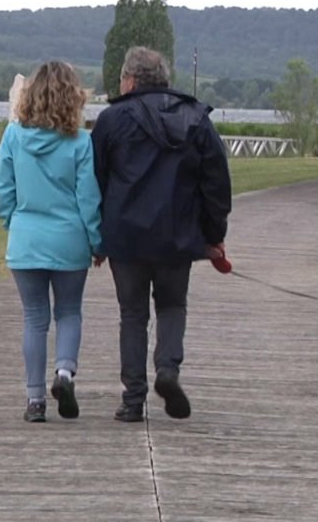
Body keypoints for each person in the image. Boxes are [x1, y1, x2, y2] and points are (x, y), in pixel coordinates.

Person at [91, 46, 232, 422]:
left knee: (132, 315)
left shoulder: (111, 120)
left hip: (126, 237)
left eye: (121, 78)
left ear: (131, 80)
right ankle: (168, 370)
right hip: (178, 236)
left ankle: (132, 400)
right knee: (172, 306)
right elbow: (217, 183)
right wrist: (214, 235)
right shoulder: (196, 119)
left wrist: (98, 236)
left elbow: (96, 182)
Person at [0, 61, 103, 423]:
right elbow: (88, 197)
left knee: (34, 318)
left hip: (26, 239)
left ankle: (35, 400)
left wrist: (13, 220)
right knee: (69, 311)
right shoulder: (81, 142)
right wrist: (96, 240)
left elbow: (2, 187)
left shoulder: (12, 136)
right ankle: (65, 373)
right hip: (69, 239)